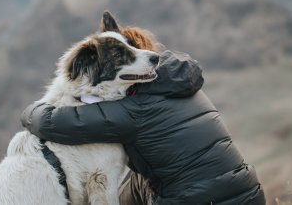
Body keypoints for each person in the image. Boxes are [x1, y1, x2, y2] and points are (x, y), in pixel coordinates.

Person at [21, 50, 265, 205]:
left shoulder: (134, 109)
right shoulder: (179, 85)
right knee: (140, 181)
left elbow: (51, 123)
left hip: (198, 201)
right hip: (249, 195)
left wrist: (31, 110)